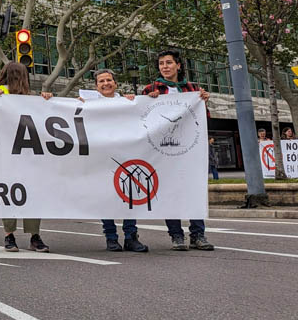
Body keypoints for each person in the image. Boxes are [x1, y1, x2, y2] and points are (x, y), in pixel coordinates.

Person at [142, 49, 215, 252]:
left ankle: (198, 235)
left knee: (194, 189)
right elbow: (142, 116)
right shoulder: (151, 88)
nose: (165, 67)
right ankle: (176, 235)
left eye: (169, 63)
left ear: (178, 65)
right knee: (169, 191)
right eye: (161, 64)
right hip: (163, 150)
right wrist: (148, 99)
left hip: (189, 149)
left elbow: (203, 119)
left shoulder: (192, 89)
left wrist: (204, 101)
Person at [80, 69, 149, 253]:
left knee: (129, 196)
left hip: (125, 156)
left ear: (115, 83)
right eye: (101, 81)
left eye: (109, 80)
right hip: (101, 158)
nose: (105, 83)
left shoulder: (127, 102)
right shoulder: (89, 104)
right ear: (96, 86)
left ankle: (130, 237)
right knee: (105, 197)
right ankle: (111, 237)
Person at [0, 62, 52, 254]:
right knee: (15, 194)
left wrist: (45, 100)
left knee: (19, 194)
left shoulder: (28, 97)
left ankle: (15, 236)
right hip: (10, 152)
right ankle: (26, 236)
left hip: (24, 153)